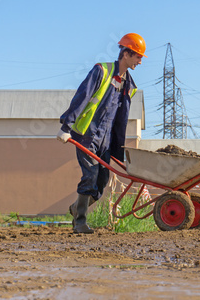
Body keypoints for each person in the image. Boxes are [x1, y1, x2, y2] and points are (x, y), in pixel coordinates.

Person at [56, 33, 146, 234]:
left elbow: (119, 118)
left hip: (106, 140)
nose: (140, 61)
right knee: (90, 175)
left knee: (101, 182)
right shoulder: (101, 71)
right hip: (87, 133)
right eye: (138, 56)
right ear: (126, 53)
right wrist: (66, 126)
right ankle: (80, 222)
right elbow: (82, 96)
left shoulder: (128, 84)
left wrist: (117, 148)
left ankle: (76, 208)